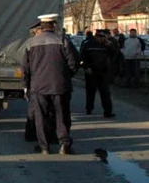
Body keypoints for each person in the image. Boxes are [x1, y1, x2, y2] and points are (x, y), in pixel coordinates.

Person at [22, 13, 80, 155]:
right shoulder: (63, 41)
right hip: (60, 85)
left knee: (41, 116)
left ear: (41, 26)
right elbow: (74, 63)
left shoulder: (31, 43)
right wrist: (66, 76)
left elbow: (25, 68)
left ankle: (44, 147)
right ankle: (64, 144)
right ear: (54, 25)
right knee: (62, 115)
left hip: (38, 86)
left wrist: (26, 85)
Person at [81, 30, 115, 118]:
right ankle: (89, 108)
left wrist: (110, 46)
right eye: (100, 37)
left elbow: (115, 55)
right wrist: (86, 67)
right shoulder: (88, 44)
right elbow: (82, 57)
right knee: (90, 91)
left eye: (103, 37)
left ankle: (108, 111)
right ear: (96, 37)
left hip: (103, 72)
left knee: (105, 93)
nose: (101, 39)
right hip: (91, 71)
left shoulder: (107, 45)